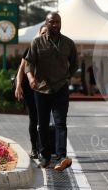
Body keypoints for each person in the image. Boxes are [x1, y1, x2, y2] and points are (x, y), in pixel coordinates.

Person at [25, 12, 78, 171]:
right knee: (42, 124)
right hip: (41, 89)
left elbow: (74, 64)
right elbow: (28, 64)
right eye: (51, 22)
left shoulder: (68, 43)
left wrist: (67, 77)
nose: (55, 25)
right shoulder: (37, 42)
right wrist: (31, 79)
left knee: (60, 122)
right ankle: (45, 157)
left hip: (61, 88)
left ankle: (62, 156)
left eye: (58, 22)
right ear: (46, 23)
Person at [15, 25, 47, 159]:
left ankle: (44, 148)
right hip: (28, 87)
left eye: (48, 32)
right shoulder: (31, 48)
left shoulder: (51, 50)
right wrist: (18, 86)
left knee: (43, 118)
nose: (45, 35)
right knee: (34, 118)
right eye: (43, 32)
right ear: (39, 33)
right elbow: (21, 69)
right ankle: (34, 148)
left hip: (43, 87)